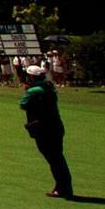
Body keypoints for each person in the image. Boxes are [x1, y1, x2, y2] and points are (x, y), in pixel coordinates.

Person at [19, 64, 72, 199]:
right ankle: (62, 186)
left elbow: (23, 105)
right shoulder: (49, 87)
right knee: (58, 158)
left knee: (54, 159)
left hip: (44, 129)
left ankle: (63, 188)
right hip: (55, 126)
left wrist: (27, 91)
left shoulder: (34, 90)